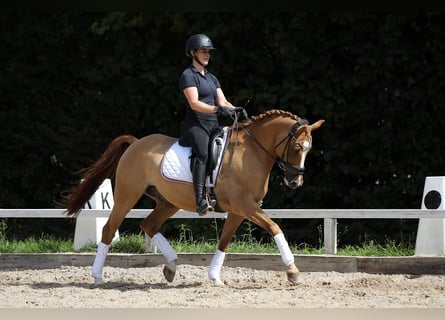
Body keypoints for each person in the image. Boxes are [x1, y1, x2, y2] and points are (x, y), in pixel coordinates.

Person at [178, 33, 240, 216]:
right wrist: (217, 111)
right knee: (203, 152)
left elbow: (223, 101)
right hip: (195, 124)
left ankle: (217, 191)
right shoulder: (188, 75)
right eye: (203, 51)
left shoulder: (212, 78)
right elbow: (194, 103)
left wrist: (235, 110)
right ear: (192, 52)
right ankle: (199, 200)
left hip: (213, 125)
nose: (207, 55)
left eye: (209, 52)